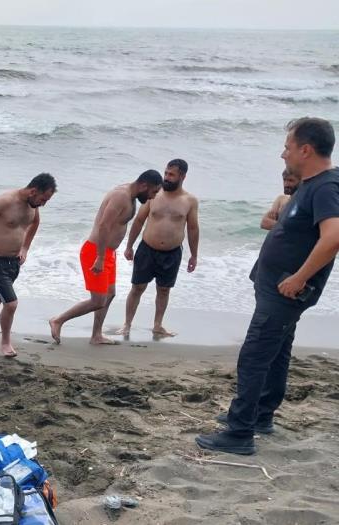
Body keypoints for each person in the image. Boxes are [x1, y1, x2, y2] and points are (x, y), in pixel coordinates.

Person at [197, 117, 339, 455]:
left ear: (306, 149)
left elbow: (333, 236)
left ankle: (239, 433)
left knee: (255, 356)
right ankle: (260, 415)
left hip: (286, 292)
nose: (283, 155)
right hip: (277, 288)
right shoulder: (312, 183)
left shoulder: (326, 187)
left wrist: (300, 277)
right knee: (275, 353)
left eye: (287, 147)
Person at [48, 170, 163, 345]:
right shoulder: (121, 196)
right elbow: (103, 225)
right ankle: (58, 320)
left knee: (109, 295)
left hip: (108, 252)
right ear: (144, 185)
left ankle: (96, 335)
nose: (153, 197)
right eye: (153, 192)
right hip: (95, 252)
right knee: (98, 300)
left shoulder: (130, 196)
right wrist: (100, 258)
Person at [0, 173, 57, 357]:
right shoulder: (5, 201)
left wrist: (25, 248)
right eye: (43, 199)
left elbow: (35, 223)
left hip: (13, 262)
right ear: (33, 191)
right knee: (11, 304)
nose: (43, 203)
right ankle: (6, 343)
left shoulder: (33, 205)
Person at [117, 159, 200, 339]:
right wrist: (129, 245)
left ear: (183, 176)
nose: (166, 178)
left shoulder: (189, 201)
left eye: (171, 175)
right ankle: (127, 324)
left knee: (164, 290)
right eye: (166, 173)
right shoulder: (155, 194)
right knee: (137, 287)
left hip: (172, 253)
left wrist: (194, 255)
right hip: (147, 249)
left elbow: (193, 228)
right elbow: (139, 220)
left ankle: (157, 325)